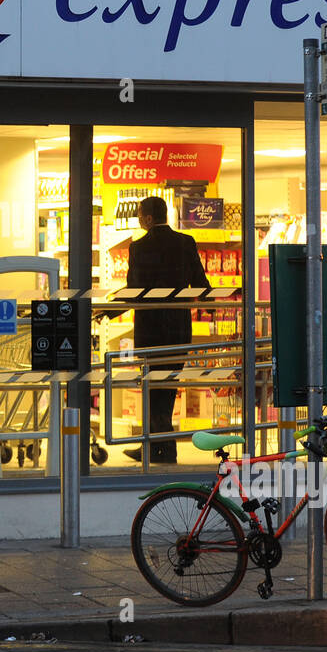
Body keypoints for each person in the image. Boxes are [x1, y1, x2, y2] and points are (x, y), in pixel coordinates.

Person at [124, 195, 210, 464]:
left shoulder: (138, 247)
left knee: (152, 387)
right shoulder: (186, 243)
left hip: (150, 329)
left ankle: (156, 446)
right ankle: (161, 445)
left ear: (149, 218)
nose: (138, 219)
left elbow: (134, 290)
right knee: (169, 386)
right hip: (178, 326)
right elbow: (200, 283)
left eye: (140, 215)